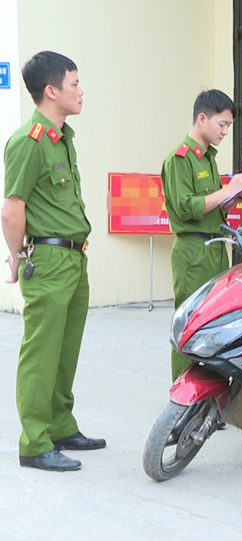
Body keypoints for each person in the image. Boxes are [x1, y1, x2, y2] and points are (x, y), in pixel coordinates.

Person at [1, 51, 105, 472]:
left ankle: (61, 425)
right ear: (51, 91)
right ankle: (34, 442)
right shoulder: (28, 142)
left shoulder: (63, 138)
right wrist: (15, 257)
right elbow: (12, 210)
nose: (80, 91)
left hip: (74, 257)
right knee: (41, 354)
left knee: (65, 351)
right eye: (74, 83)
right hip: (46, 259)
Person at [161, 89, 242, 380]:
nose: (225, 132)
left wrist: (234, 197)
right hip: (193, 251)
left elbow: (212, 207)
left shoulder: (207, 157)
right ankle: (183, 392)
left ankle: (209, 391)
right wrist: (226, 191)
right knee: (189, 324)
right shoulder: (180, 159)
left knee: (213, 324)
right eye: (222, 124)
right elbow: (186, 208)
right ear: (202, 119)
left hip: (214, 248)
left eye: (228, 126)